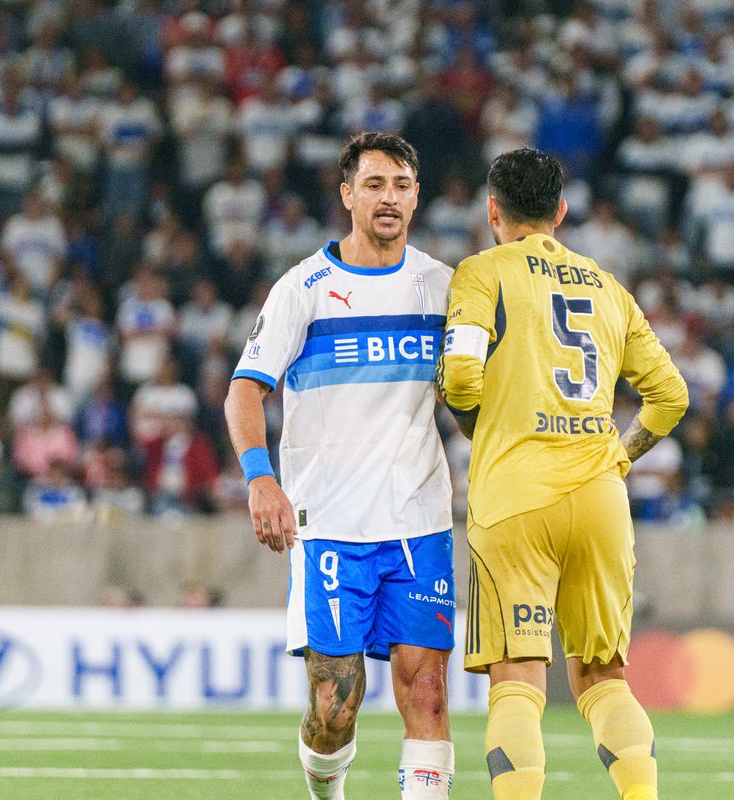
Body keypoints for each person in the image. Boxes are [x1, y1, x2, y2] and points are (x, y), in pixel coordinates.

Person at [438, 148, 688, 800]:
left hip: (515, 494)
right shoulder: (608, 287)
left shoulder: (481, 273)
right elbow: (671, 399)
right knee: (603, 677)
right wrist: (620, 457)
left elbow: (462, 376)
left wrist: (480, 427)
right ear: (562, 212)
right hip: (599, 496)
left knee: (517, 680)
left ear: (493, 211)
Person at [223, 133, 456, 800]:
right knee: (334, 706)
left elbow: (464, 396)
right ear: (347, 194)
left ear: (416, 197)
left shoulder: (443, 287)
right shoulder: (305, 288)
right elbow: (245, 388)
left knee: (428, 692)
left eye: (402, 185)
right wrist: (259, 477)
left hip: (418, 519)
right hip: (328, 524)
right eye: (376, 184)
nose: (390, 198)